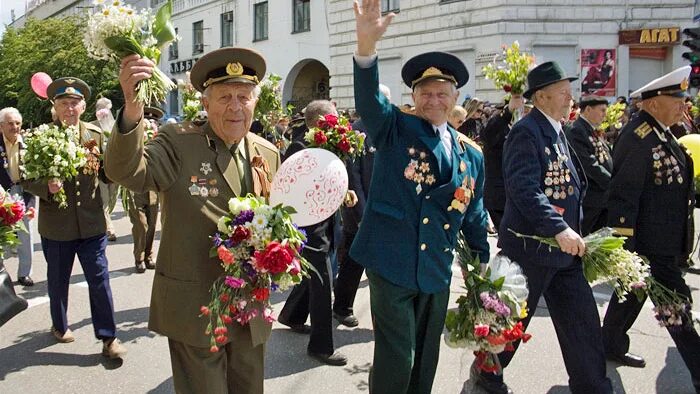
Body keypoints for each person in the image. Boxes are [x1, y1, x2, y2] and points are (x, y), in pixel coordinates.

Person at [106, 47, 280, 393]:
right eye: (224, 97)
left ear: (254, 104)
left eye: (243, 97)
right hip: (196, 302)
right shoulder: (178, 142)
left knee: (249, 388)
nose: (235, 107)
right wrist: (132, 108)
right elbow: (125, 170)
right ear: (205, 104)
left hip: (251, 303)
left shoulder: (267, 152)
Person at [351, 1, 490, 392]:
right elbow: (369, 103)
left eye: (441, 93)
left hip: (436, 265)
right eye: (425, 93)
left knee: (426, 356)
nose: (433, 100)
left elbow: (475, 215)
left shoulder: (470, 153)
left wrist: (480, 275)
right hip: (391, 260)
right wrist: (366, 50)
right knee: (399, 355)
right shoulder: (396, 127)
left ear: (456, 96)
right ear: (413, 96)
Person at [481, 61, 613, 394]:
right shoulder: (527, 131)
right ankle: (486, 377)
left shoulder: (556, 129)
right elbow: (524, 188)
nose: (572, 100)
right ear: (541, 97)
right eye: (564, 94)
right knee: (510, 327)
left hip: (564, 254)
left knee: (582, 324)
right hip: (532, 251)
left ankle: (593, 387)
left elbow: (570, 187)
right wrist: (559, 227)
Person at [601, 66, 700, 391]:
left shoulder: (664, 133)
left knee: (630, 295)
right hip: (648, 245)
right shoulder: (639, 136)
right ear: (655, 102)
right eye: (677, 99)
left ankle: (609, 344)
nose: (683, 106)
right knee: (676, 304)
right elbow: (623, 195)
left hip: (663, 243)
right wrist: (626, 248)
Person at [22, 77, 126, 358]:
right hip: (57, 227)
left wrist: (120, 167)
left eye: (75, 103)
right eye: (64, 103)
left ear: (83, 106)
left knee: (100, 279)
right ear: (54, 106)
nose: (70, 109)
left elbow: (105, 172)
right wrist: (45, 187)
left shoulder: (95, 135)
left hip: (92, 224)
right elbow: (25, 177)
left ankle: (108, 338)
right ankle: (59, 324)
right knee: (58, 280)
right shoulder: (40, 137)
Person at [278, 99, 357, 366]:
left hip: (326, 224)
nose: (340, 123)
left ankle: (292, 315)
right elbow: (292, 189)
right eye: (334, 119)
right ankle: (321, 347)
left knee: (313, 277)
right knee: (323, 285)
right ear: (321, 121)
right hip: (308, 228)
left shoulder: (324, 145)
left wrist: (343, 191)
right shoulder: (299, 147)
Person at [333, 84, 389, 328]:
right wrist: (365, 215)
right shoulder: (356, 133)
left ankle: (385, 315)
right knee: (354, 263)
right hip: (360, 211)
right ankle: (342, 307)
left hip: (386, 211)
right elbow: (353, 177)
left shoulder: (388, 130)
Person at [565, 96, 612, 235]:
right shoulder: (577, 130)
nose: (605, 114)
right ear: (588, 109)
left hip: (601, 196)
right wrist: (612, 182)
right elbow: (588, 164)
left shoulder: (592, 129)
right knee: (586, 236)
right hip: (590, 197)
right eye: (602, 110)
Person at [0, 107, 35, 287]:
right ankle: (1, 274)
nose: (15, 127)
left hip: (22, 192)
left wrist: (31, 204)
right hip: (1, 193)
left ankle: (24, 273)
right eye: (10, 123)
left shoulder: (29, 144)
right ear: (1, 126)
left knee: (25, 233)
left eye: (17, 123)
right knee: (2, 236)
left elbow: (34, 175)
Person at [127, 106, 162, 273]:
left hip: (153, 186)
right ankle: (139, 257)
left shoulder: (160, 140)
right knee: (141, 225)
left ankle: (149, 254)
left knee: (153, 224)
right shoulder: (131, 138)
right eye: (146, 121)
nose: (149, 124)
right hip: (135, 187)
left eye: (152, 122)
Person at [479, 95, 524, 229]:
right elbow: (488, 135)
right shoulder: (497, 126)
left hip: (517, 193)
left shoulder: (522, 126)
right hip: (499, 194)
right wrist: (507, 112)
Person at [94, 97, 118, 242]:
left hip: (115, 171)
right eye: (101, 108)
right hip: (100, 170)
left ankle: (107, 221)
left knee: (112, 198)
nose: (104, 112)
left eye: (107, 109)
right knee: (104, 200)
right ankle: (109, 228)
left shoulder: (115, 126)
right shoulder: (93, 126)